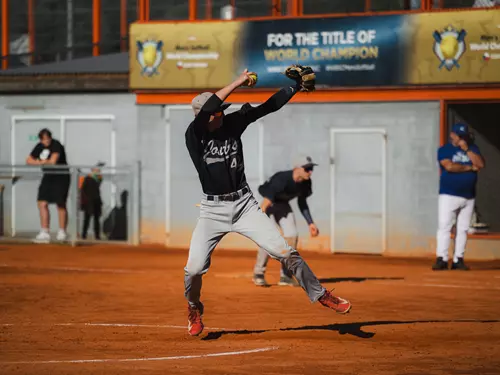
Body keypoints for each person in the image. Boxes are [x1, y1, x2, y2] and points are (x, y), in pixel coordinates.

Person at [184, 68, 352, 337]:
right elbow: (210, 107)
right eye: (218, 111)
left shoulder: (232, 123)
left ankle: (320, 294)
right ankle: (194, 308)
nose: (222, 113)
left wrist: (295, 88)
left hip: (244, 205)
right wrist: (238, 80)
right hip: (212, 211)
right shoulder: (195, 136)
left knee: (286, 252)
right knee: (193, 269)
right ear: (205, 116)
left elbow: (267, 108)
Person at [252, 157, 320, 287]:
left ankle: (286, 276)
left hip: (282, 204)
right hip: (268, 203)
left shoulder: (306, 182)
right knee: (268, 237)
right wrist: (259, 222)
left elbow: (302, 202)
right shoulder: (281, 179)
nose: (310, 172)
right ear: (297, 168)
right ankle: (258, 273)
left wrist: (310, 223)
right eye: (307, 168)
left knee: (292, 235)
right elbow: (265, 203)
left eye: (311, 168)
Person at [433, 123, 485, 271]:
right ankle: (441, 258)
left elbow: (480, 164)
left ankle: (458, 259)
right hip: (449, 194)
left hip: (468, 195)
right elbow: (449, 166)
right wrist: (469, 168)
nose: (461, 138)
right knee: (445, 226)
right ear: (452, 135)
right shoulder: (445, 150)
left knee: (462, 229)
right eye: (458, 136)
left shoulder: (472, 149)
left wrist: (467, 150)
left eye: (463, 136)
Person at [26, 128, 70, 243]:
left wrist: (40, 162)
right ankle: (45, 232)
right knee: (42, 202)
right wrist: (41, 162)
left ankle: (62, 232)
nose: (45, 141)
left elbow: (53, 161)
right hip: (48, 176)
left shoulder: (56, 145)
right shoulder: (39, 146)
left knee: (60, 203)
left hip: (61, 176)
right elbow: (29, 160)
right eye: (43, 139)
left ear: (50, 137)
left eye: (47, 139)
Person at [80, 163, 104, 240]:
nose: (98, 171)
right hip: (88, 202)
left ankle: (97, 235)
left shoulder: (98, 178)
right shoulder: (87, 178)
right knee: (87, 219)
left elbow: (99, 179)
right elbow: (82, 190)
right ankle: (84, 235)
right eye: (97, 169)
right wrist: (83, 201)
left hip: (96, 201)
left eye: (99, 170)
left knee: (96, 219)